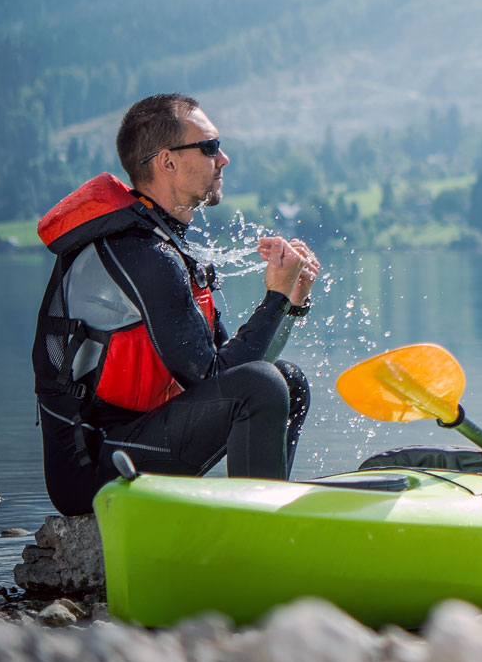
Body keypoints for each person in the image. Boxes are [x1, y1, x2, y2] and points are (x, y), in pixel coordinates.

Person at [32, 93, 321, 515]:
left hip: (135, 441)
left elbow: (234, 370)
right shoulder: (141, 252)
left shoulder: (166, 246)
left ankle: (267, 514)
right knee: (263, 385)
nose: (223, 159)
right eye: (209, 147)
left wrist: (289, 304)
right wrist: (274, 297)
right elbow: (223, 380)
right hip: (91, 469)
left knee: (286, 380)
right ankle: (258, 531)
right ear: (167, 161)